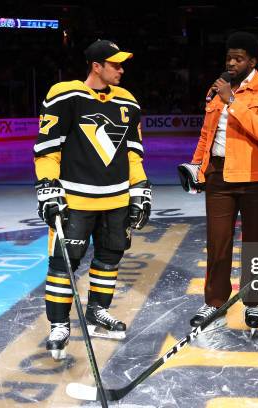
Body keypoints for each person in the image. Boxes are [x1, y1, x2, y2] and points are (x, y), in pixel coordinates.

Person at [33, 39, 151, 359]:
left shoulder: (128, 101)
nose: (121, 69)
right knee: (63, 264)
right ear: (96, 66)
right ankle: (59, 324)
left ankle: (98, 311)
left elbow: (133, 153)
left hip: (116, 200)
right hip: (76, 201)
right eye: (115, 64)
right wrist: (48, 186)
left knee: (109, 258)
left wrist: (140, 190)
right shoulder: (66, 94)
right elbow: (47, 147)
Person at [186, 31, 258, 335]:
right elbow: (206, 133)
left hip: (255, 178)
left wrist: (233, 102)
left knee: (254, 243)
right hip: (218, 174)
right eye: (229, 57)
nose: (231, 62)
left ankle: (253, 301)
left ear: (252, 61)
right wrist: (196, 166)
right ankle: (214, 301)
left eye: (238, 58)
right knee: (217, 243)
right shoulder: (216, 90)